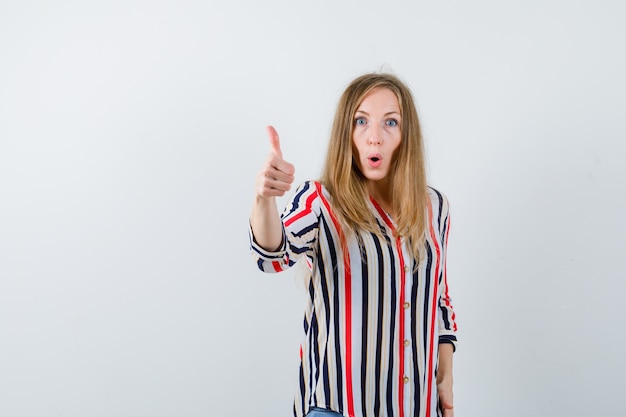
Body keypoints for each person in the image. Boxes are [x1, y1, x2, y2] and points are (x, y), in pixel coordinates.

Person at [249, 73, 458, 417]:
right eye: (361, 121)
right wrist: (263, 198)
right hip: (338, 406)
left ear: (407, 136)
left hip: (416, 408)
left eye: (390, 122)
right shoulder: (320, 201)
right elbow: (273, 254)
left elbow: (439, 299)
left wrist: (445, 379)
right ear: (346, 133)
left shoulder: (435, 208)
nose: (374, 137)